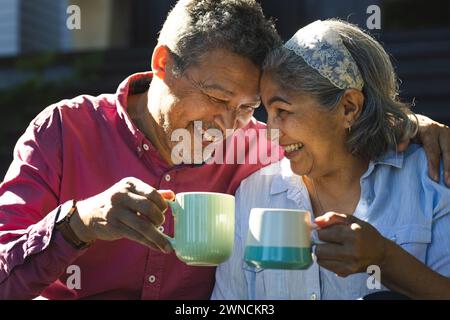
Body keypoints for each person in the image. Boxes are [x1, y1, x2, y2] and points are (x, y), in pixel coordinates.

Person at [0, 1, 448, 300]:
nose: (229, 124)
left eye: (247, 107)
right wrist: (80, 223)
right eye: (217, 98)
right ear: (162, 63)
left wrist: (405, 122)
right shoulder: (64, 131)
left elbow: (331, 131)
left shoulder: (263, 151)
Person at [212, 19, 450, 300]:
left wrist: (384, 258)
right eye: (267, 112)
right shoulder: (255, 194)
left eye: (283, 110)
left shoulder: (430, 179)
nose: (271, 132)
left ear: (349, 107)